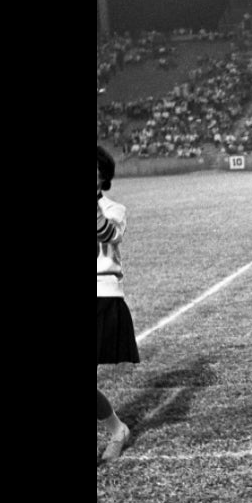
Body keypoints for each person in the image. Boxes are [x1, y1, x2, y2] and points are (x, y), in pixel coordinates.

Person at [97, 145, 139, 462]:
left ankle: (117, 430)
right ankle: (117, 429)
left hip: (104, 296)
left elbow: (107, 233)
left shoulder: (115, 209)